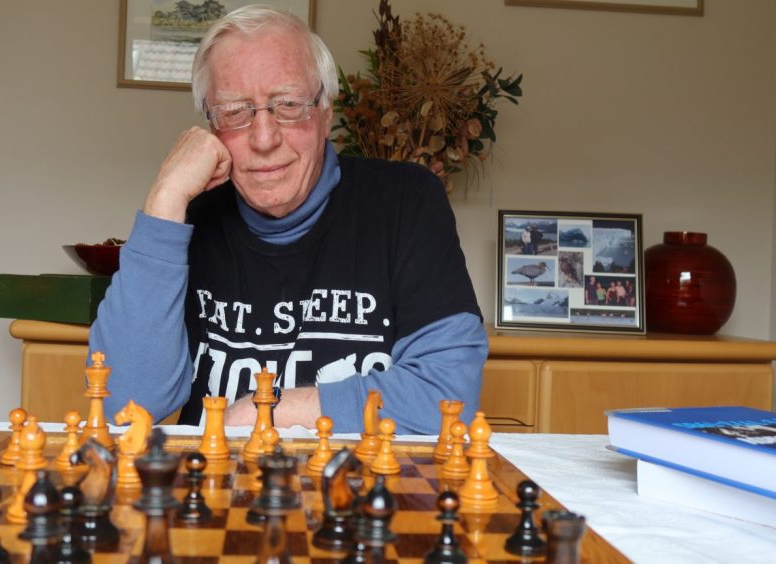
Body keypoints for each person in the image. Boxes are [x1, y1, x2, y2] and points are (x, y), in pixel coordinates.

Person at [88, 6, 488, 435]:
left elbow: (450, 397)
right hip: (219, 492)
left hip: (358, 493)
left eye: (289, 105)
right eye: (236, 111)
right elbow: (120, 404)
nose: (264, 139)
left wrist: (274, 411)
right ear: (210, 126)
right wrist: (164, 203)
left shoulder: (406, 201)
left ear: (326, 112)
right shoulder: (189, 218)